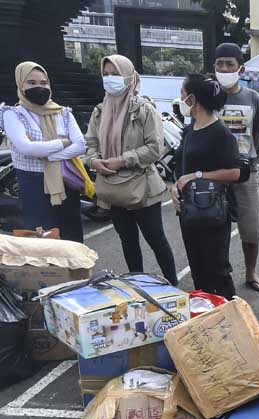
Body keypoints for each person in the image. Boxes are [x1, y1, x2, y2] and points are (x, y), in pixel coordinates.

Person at [84, 54, 177, 284]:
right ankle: (138, 284)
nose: (110, 79)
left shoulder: (144, 109)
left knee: (156, 239)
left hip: (142, 187)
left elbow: (155, 148)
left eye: (115, 74)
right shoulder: (100, 111)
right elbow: (91, 144)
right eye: (106, 74)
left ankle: (173, 285)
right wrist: (94, 161)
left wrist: (122, 160)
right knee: (128, 240)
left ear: (129, 77)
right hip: (113, 188)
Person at [0, 62, 86, 242]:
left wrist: (49, 156)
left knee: (72, 235)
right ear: (20, 84)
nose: (39, 87)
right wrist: (62, 142)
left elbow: (80, 145)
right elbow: (26, 147)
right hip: (34, 184)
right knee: (41, 236)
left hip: (65, 181)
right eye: (31, 83)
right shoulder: (13, 114)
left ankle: (76, 271)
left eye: (44, 82)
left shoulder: (63, 113)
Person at [173, 74, 241, 299]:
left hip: (213, 211)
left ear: (192, 99)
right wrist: (176, 187)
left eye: (182, 95)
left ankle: (231, 314)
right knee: (198, 268)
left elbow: (235, 172)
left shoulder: (220, 133)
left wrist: (197, 176)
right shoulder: (190, 128)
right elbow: (181, 165)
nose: (179, 99)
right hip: (189, 211)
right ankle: (205, 316)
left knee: (217, 269)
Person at [214, 42, 259, 293]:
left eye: (230, 64)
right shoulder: (209, 95)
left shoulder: (252, 97)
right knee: (214, 224)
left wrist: (245, 157)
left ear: (241, 69)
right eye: (219, 64)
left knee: (251, 226)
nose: (224, 68)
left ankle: (251, 272)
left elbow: (257, 131)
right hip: (215, 174)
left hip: (246, 172)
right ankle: (218, 273)